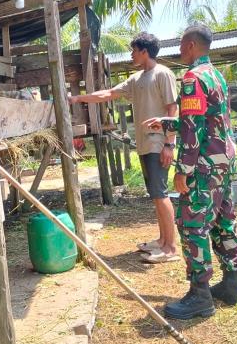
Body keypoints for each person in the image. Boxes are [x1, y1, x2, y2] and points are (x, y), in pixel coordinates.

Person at [144, 24, 237, 319]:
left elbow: (193, 129)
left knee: (192, 225)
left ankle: (200, 295)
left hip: (203, 165)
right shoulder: (216, 76)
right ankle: (231, 283)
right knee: (223, 221)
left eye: (181, 45)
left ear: (190, 45)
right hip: (223, 162)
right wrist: (166, 122)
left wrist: (183, 170)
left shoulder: (192, 78)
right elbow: (207, 120)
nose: (178, 51)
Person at [70, 33, 180, 263]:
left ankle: (171, 248)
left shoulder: (163, 74)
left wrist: (169, 143)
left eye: (134, 50)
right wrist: (79, 99)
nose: (131, 54)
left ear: (145, 51)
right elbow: (109, 93)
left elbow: (172, 110)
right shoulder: (138, 78)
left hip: (158, 142)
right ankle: (162, 240)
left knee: (160, 194)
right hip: (144, 143)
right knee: (155, 194)